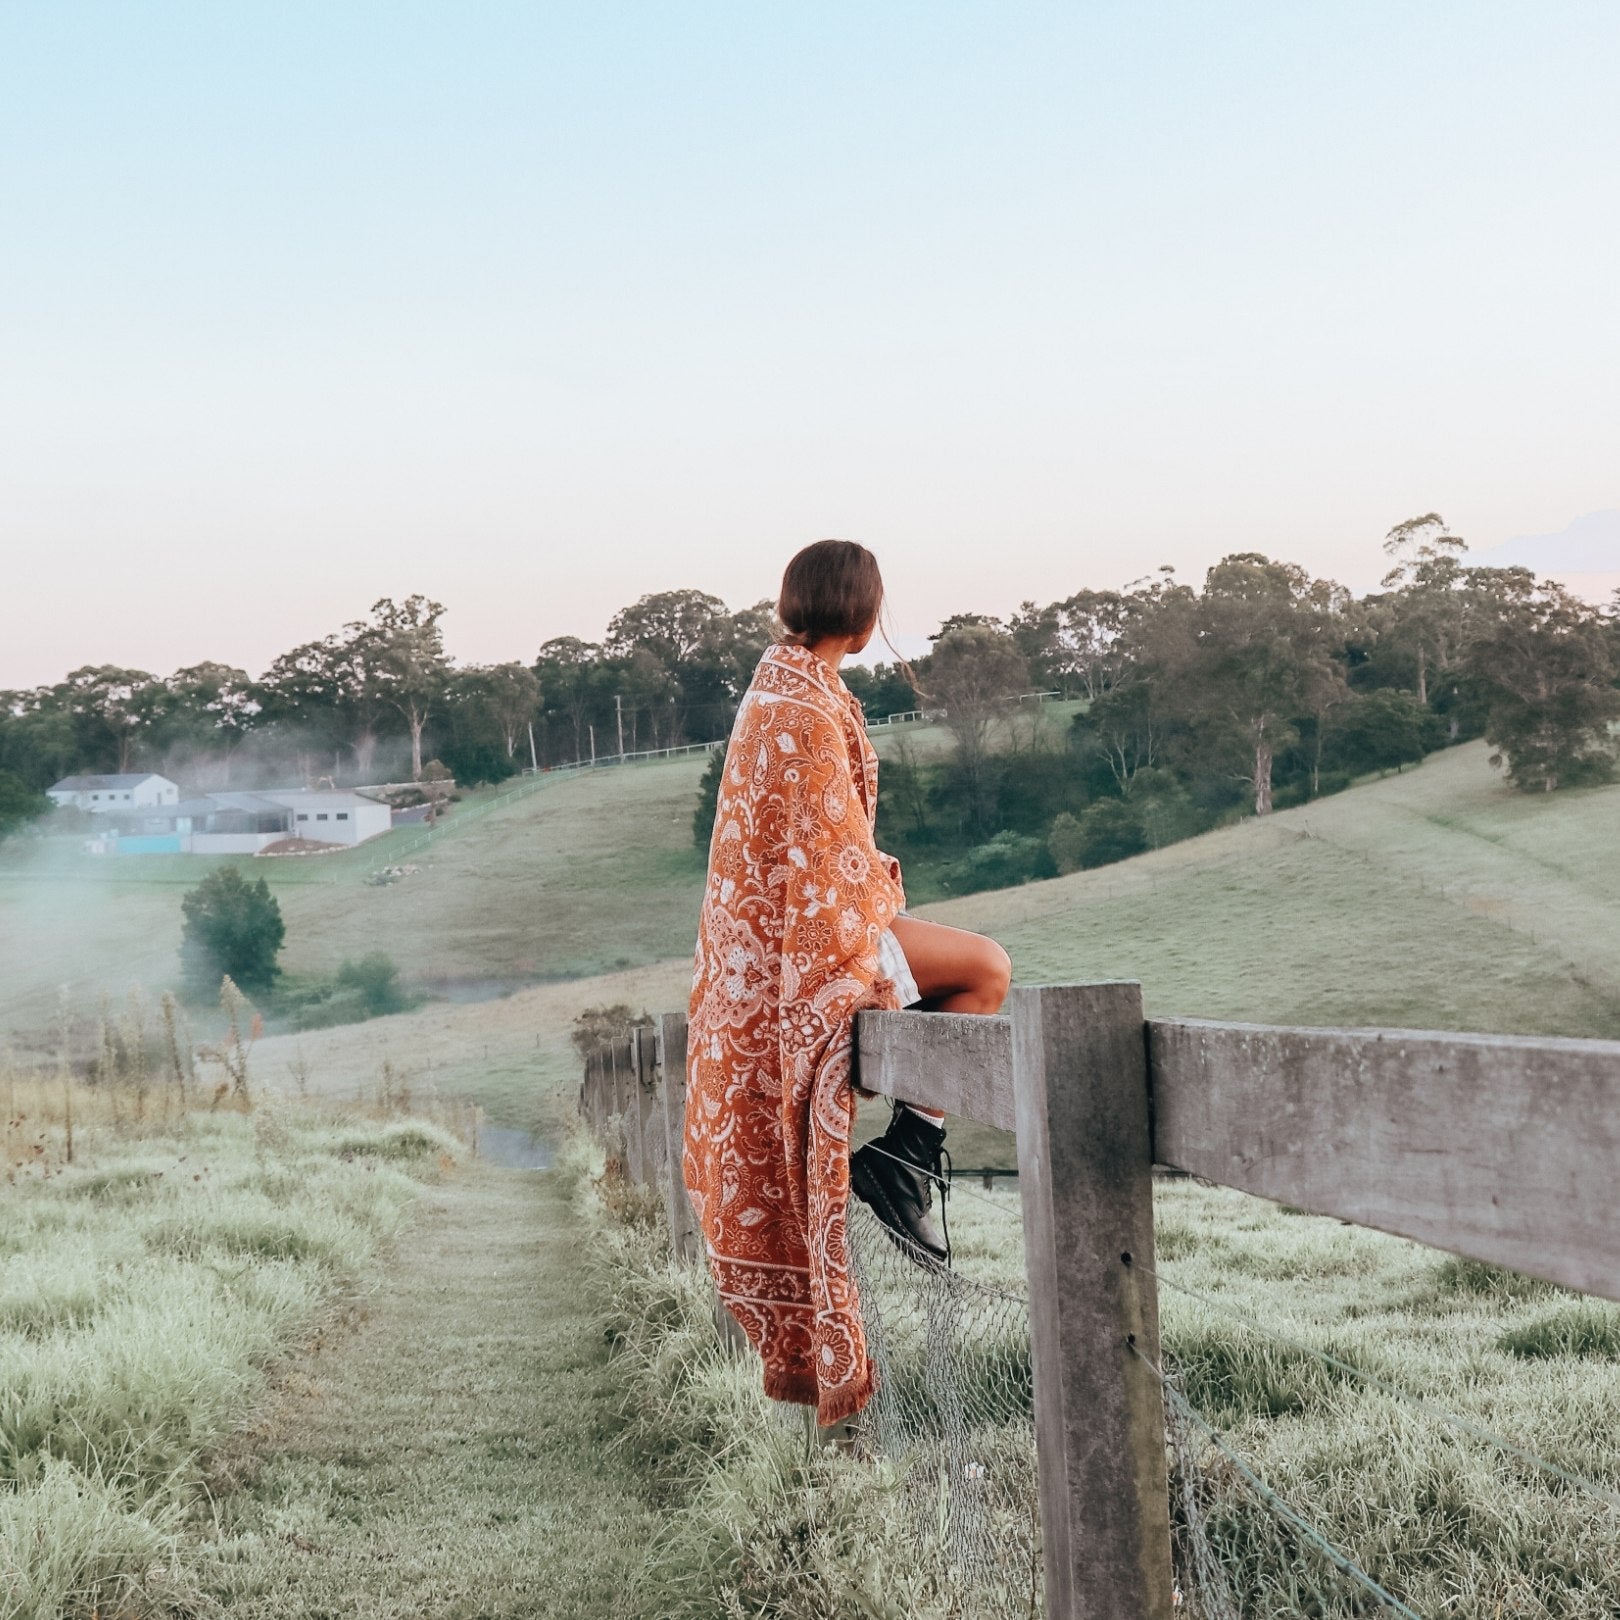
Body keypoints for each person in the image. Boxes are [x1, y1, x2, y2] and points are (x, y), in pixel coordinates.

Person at [683, 539, 1011, 1426]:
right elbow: (831, 861)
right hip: (818, 944)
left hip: (792, 939)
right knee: (985, 971)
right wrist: (871, 913)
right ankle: (908, 1161)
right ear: (863, 617)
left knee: (965, 974)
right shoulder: (806, 710)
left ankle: (906, 1159)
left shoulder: (778, 690)